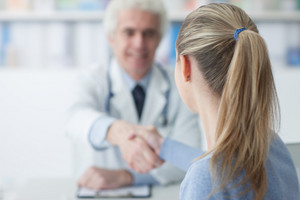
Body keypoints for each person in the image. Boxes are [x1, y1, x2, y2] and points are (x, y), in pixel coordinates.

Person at [131, 3, 300, 199]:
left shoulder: (204, 179)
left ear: (185, 66)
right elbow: (223, 162)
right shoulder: (274, 147)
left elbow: (212, 170)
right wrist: (163, 146)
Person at [65, 0, 202, 190]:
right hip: (99, 193)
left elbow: (191, 158)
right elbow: (74, 119)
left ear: (160, 38)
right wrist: (117, 132)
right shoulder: (92, 80)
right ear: (111, 37)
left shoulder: (181, 82)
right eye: (129, 32)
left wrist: (128, 176)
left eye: (148, 33)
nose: (139, 44)